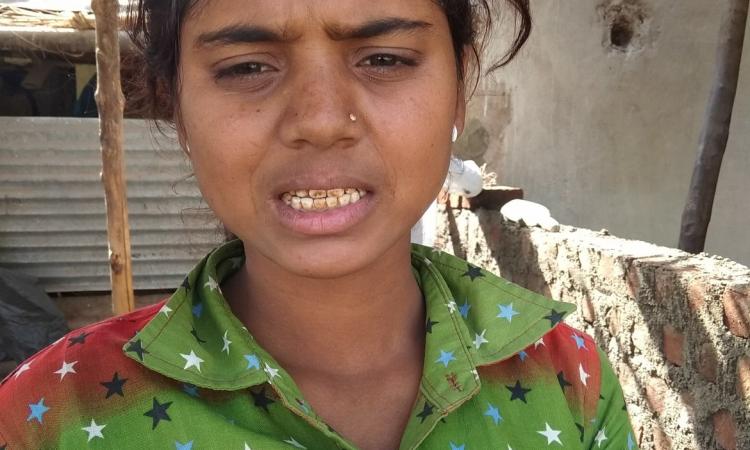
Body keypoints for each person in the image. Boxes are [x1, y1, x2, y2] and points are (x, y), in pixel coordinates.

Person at [0, 1, 638, 449]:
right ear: (177, 105)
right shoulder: (60, 415)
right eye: (248, 67)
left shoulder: (563, 376)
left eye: (384, 59)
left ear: (459, 82)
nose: (322, 118)